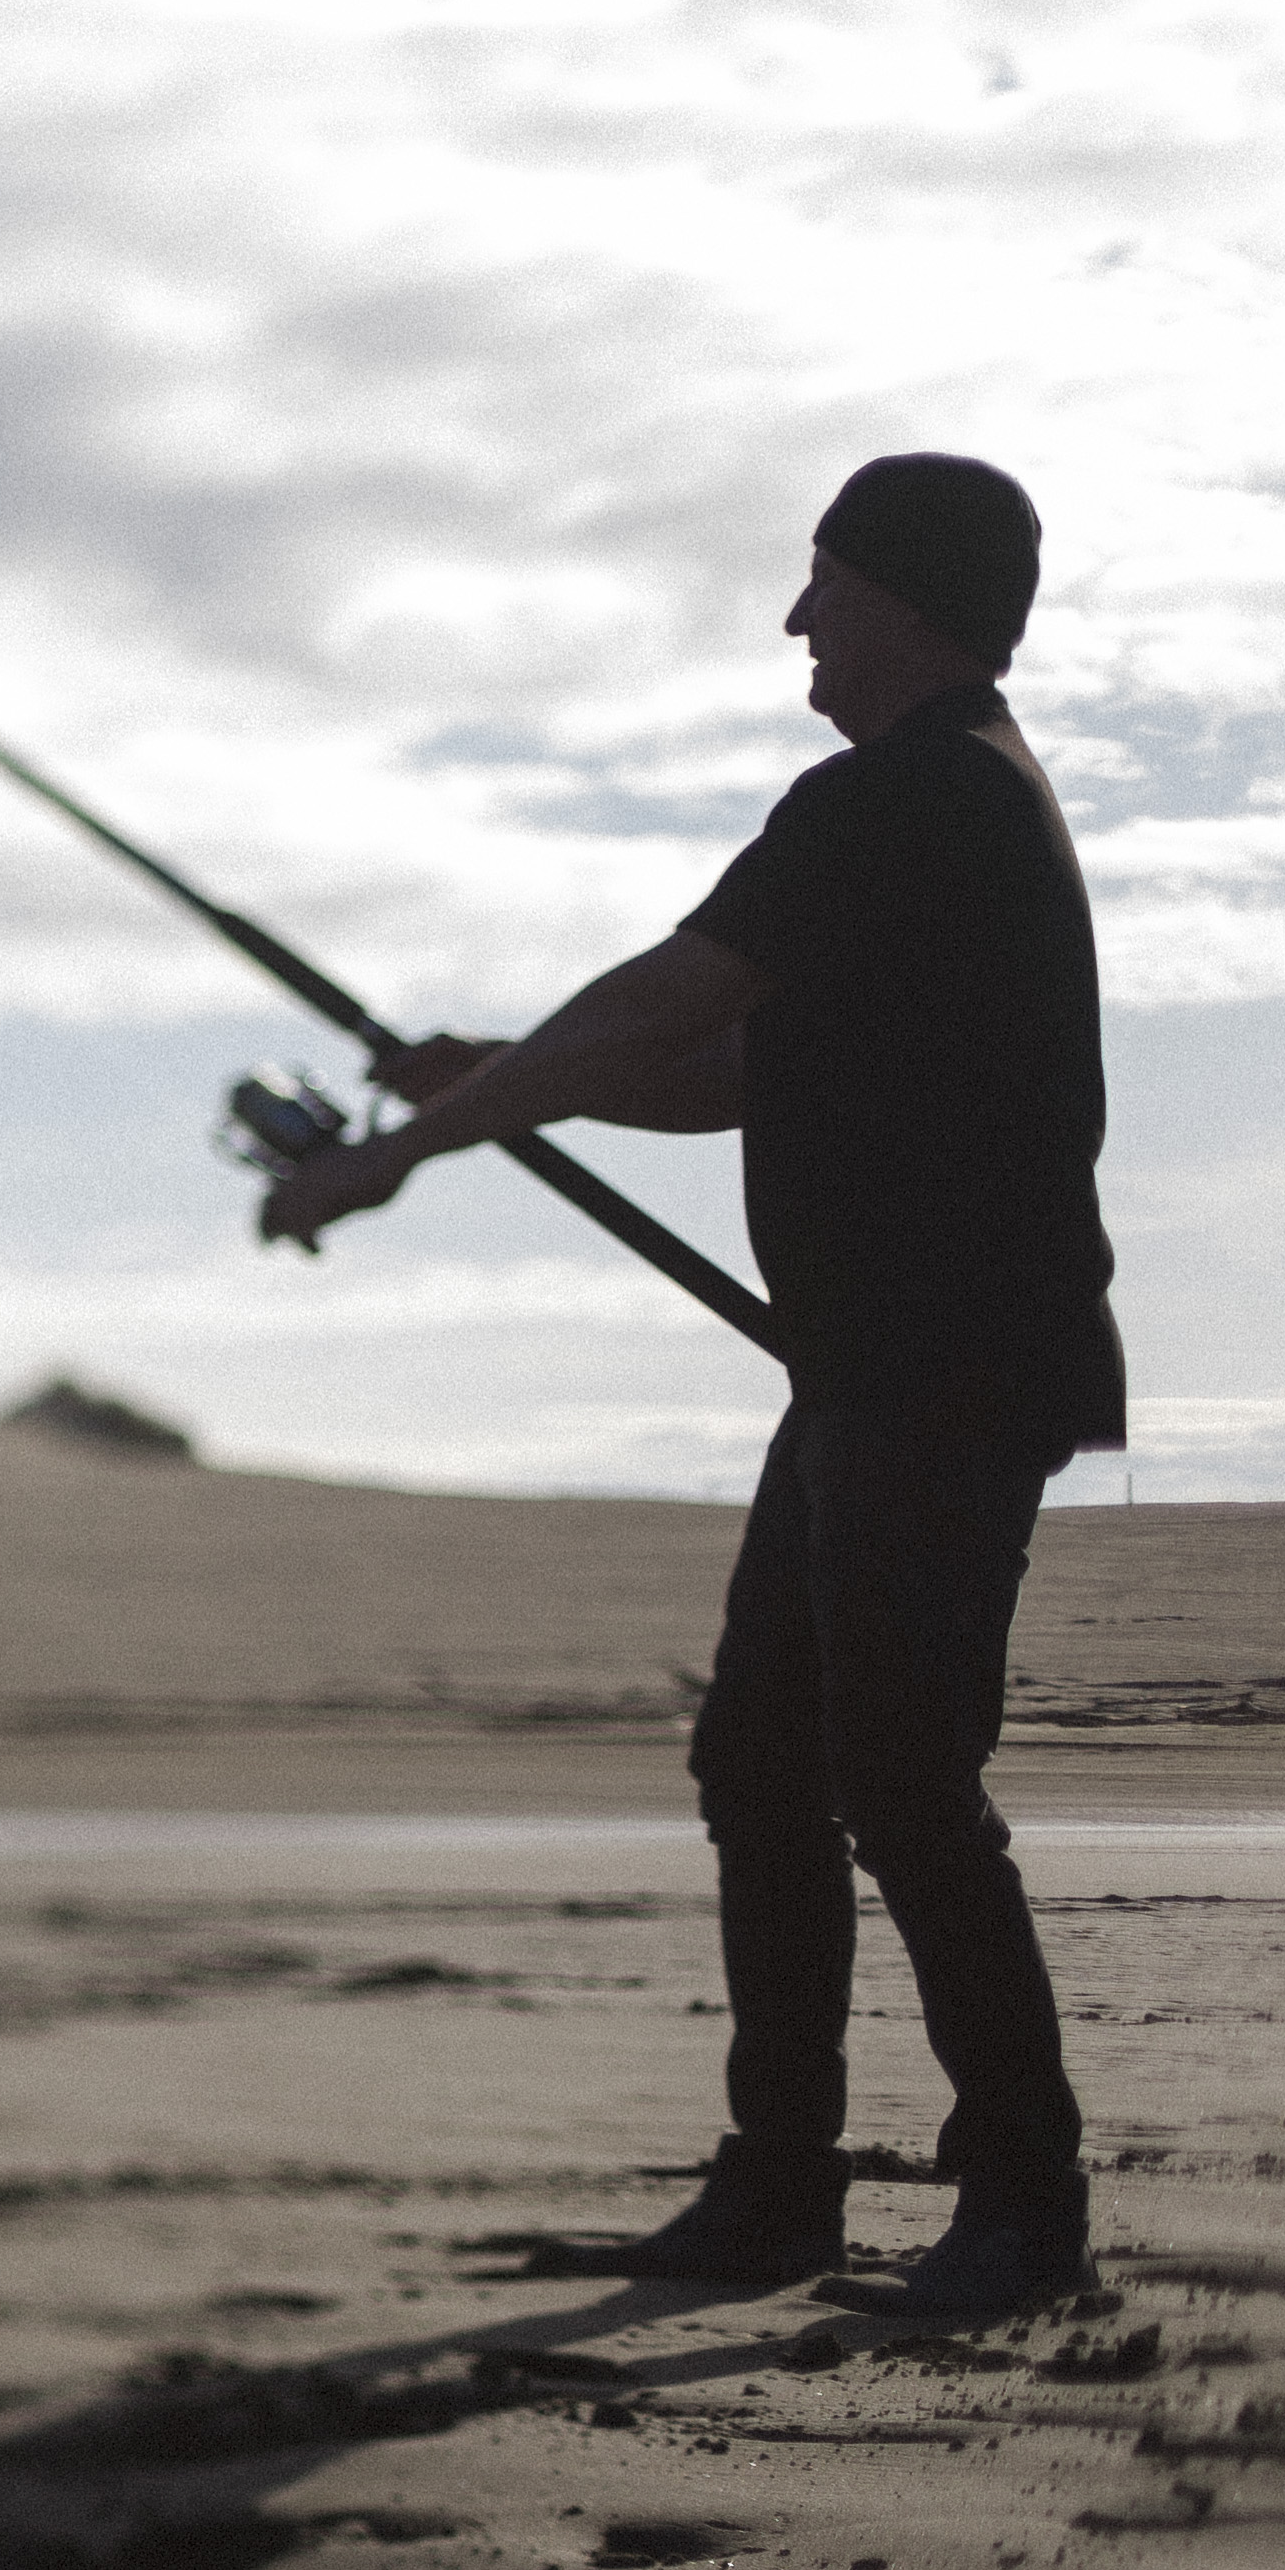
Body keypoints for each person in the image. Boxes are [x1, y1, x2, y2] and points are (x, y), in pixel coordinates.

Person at [257, 453, 1120, 2326]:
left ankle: (1026, 2207)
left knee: (896, 1776)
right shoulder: (950, 801)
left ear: (893, 598)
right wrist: (489, 1075)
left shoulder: (896, 797)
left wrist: (397, 1160)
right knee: (763, 1762)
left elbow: (658, 1007)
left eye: (818, 583)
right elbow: (730, 1069)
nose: (795, 621)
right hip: (878, 1371)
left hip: (940, 1370)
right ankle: (781, 2188)